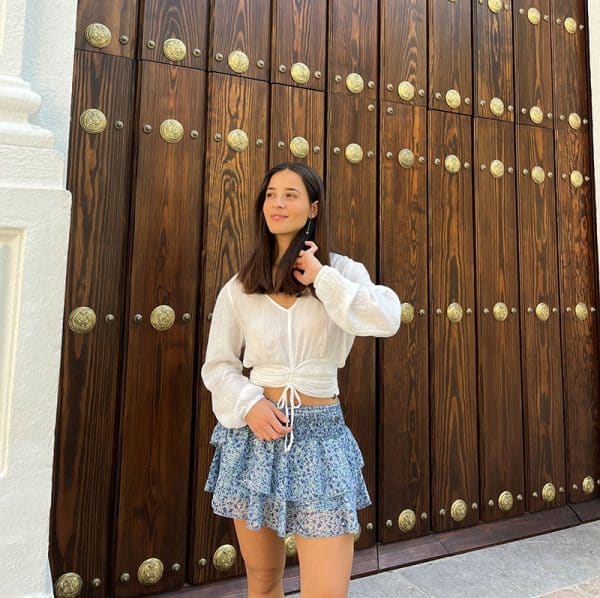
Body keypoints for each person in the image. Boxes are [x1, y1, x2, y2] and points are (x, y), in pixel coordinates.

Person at [201, 162, 401, 598]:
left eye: (290, 194)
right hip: (254, 440)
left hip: (321, 440)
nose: (278, 203)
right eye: (271, 194)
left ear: (312, 207)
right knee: (263, 580)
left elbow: (387, 318)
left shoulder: (342, 272)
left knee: (326, 592)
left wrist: (322, 278)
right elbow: (217, 366)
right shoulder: (240, 286)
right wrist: (249, 403)